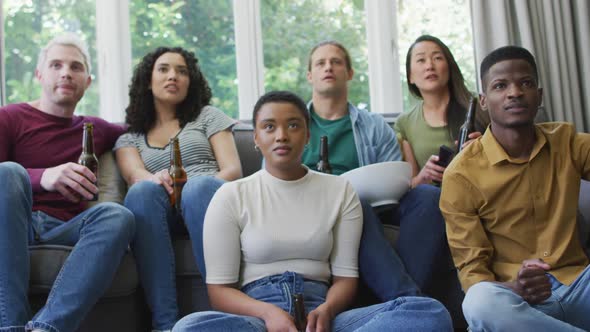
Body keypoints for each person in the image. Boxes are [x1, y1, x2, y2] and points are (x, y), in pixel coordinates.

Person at [172, 90, 452, 332]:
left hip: (324, 316)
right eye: (269, 127)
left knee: (429, 312)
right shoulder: (231, 195)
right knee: (188, 327)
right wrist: (269, 314)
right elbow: (220, 292)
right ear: (255, 137)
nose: (281, 136)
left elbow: (345, 280)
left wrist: (328, 310)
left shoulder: (340, 190)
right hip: (260, 319)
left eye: (293, 126)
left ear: (307, 135)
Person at [302, 40, 464, 325]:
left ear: (349, 73)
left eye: (336, 62)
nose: (328, 67)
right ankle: (410, 303)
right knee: (352, 200)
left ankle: (392, 308)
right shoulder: (292, 125)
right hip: (319, 211)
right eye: (320, 63)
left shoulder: (374, 126)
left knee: (427, 196)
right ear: (310, 75)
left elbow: (397, 179)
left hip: (374, 209)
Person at [440, 45, 590, 331]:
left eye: (526, 83)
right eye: (500, 85)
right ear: (483, 101)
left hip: (579, 286)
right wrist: (516, 287)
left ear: (539, 95)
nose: (515, 92)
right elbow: (473, 272)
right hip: (518, 305)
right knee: (479, 302)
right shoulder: (461, 174)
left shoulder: (567, 142)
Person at [0, 33, 135, 332]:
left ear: (88, 81)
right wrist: (42, 176)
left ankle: (47, 327)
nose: (66, 73)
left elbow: (142, 124)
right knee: (7, 172)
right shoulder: (9, 117)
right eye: (56, 65)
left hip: (64, 228)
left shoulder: (95, 128)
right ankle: (9, 326)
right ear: (39, 74)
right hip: (13, 225)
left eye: (76, 67)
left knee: (118, 215)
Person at [114, 47, 242, 331]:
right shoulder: (129, 138)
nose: (173, 76)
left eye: (182, 71)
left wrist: (198, 185)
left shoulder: (208, 116)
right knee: (141, 193)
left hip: (209, 203)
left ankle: (223, 317)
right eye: (164, 69)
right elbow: (135, 175)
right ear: (148, 80)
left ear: (190, 81)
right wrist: (153, 179)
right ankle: (164, 324)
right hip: (162, 214)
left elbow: (233, 171)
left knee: (198, 188)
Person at [396, 35, 489, 187]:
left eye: (437, 58)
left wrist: (485, 149)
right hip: (434, 200)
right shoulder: (404, 123)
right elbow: (410, 186)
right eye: (421, 60)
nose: (429, 66)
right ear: (410, 76)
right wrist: (423, 176)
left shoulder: (479, 105)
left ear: (449, 67)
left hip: (480, 190)